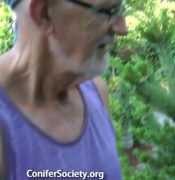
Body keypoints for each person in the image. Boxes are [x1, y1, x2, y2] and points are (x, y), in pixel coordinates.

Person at [0, 0, 127, 179]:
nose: (122, 28)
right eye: (107, 11)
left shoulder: (96, 93)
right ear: (44, 15)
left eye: (120, 8)